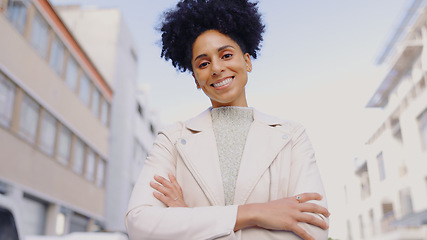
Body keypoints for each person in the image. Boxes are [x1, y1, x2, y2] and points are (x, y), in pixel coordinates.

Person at [126, 0, 330, 239]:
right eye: (203, 63)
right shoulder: (171, 140)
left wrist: (187, 216)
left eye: (226, 55)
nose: (216, 68)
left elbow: (313, 228)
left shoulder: (293, 136)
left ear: (246, 61)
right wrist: (254, 213)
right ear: (195, 78)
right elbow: (140, 223)